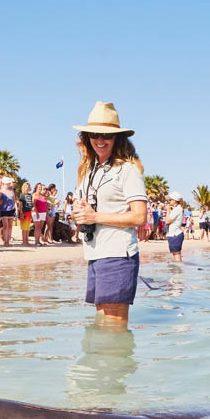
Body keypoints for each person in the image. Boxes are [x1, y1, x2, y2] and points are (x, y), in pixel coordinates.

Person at [70, 102, 147, 324]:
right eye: (94, 134)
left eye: (107, 135)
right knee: (102, 325)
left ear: (118, 138)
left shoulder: (128, 170)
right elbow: (86, 211)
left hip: (118, 254)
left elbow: (139, 217)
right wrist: (79, 215)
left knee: (112, 328)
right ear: (86, 137)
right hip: (95, 254)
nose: (100, 140)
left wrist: (95, 217)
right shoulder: (89, 171)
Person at [164, 191, 185, 262]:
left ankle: (178, 271)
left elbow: (167, 221)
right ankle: (178, 271)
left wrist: (168, 210)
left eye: (170, 200)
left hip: (175, 235)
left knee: (176, 255)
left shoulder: (177, 209)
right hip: (175, 234)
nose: (169, 201)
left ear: (175, 201)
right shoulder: (178, 209)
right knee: (176, 254)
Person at [0, 177, 16, 245]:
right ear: (3, 183)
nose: (8, 184)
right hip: (4, 210)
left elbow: (14, 201)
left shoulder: (12, 191)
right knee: (5, 226)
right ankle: (6, 241)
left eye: (8, 183)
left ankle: (8, 240)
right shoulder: (0, 191)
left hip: (11, 209)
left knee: (10, 226)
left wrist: (15, 210)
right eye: (6, 183)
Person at [18, 181, 34, 246]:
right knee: (24, 228)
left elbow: (31, 204)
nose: (28, 188)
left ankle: (27, 241)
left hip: (29, 212)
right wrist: (21, 213)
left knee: (28, 228)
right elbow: (20, 205)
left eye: (29, 187)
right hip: (24, 212)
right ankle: (24, 241)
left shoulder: (30, 195)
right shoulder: (22, 195)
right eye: (27, 187)